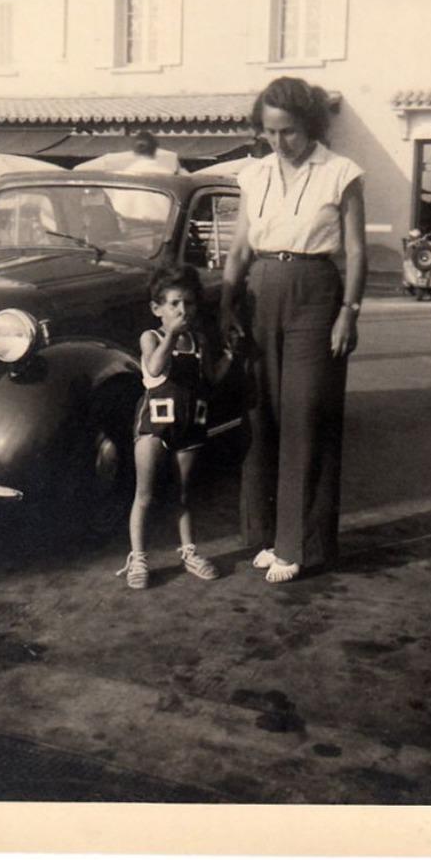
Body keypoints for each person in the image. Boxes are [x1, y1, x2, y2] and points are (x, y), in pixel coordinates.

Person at [220, 76, 367, 583]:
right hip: (259, 289)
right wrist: (226, 303)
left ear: (310, 125)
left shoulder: (341, 172)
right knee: (259, 417)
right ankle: (264, 535)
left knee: (306, 417)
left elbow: (355, 250)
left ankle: (300, 545)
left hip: (315, 294)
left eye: (288, 132)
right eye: (269, 132)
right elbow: (239, 247)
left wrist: (349, 310)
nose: (278, 143)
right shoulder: (253, 173)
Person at [117, 265, 236, 589]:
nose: (183, 310)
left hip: (190, 426)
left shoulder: (197, 341)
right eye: (174, 304)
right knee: (145, 494)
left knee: (183, 495)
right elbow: (155, 367)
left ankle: (189, 551)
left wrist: (229, 354)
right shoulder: (152, 337)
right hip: (155, 426)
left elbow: (210, 378)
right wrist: (170, 335)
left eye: (189, 304)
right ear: (157, 309)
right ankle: (138, 558)